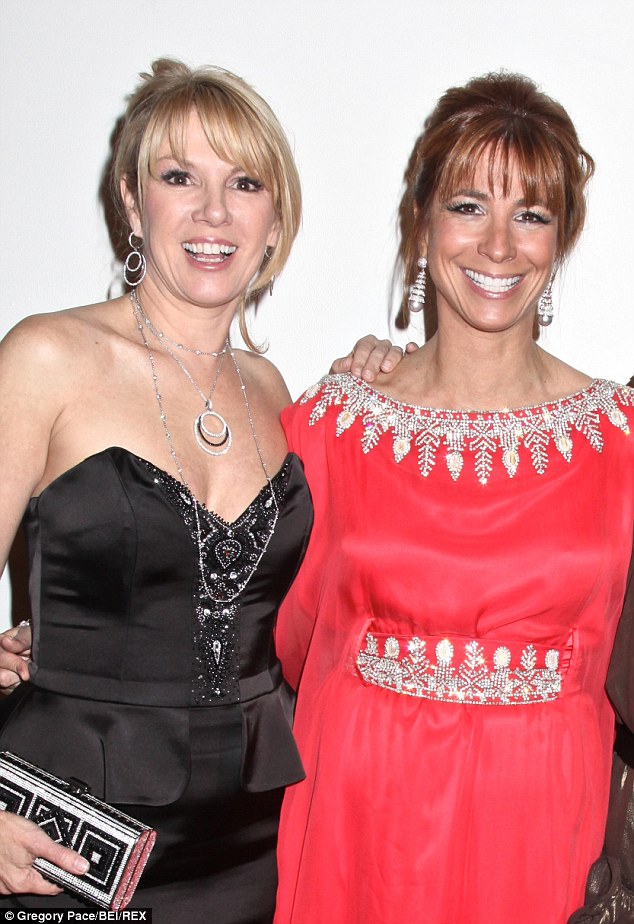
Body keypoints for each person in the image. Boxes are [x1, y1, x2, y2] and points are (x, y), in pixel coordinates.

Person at [0, 58, 402, 922]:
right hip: (67, 841)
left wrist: (397, 375)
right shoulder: (45, 357)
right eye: (179, 177)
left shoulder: (275, 391)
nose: (214, 212)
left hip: (248, 841)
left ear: (274, 220)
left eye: (244, 183)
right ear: (130, 200)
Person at [272, 72, 634, 924]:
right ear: (421, 223)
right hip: (359, 834)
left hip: (543, 839)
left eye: (531, 215)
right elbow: (278, 645)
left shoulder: (622, 442)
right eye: (468, 206)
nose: (498, 245)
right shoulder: (329, 427)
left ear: (561, 240)